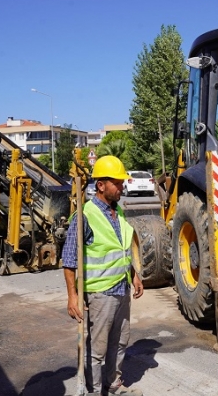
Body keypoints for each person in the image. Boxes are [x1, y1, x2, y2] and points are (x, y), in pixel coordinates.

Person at [63, 156, 145, 396]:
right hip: (100, 293)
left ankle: (114, 384)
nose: (122, 187)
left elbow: (121, 249)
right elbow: (69, 261)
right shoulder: (85, 216)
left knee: (120, 342)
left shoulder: (116, 211)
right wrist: (72, 296)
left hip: (122, 288)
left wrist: (134, 275)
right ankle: (95, 391)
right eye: (117, 183)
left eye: (122, 183)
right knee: (97, 349)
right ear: (101, 185)